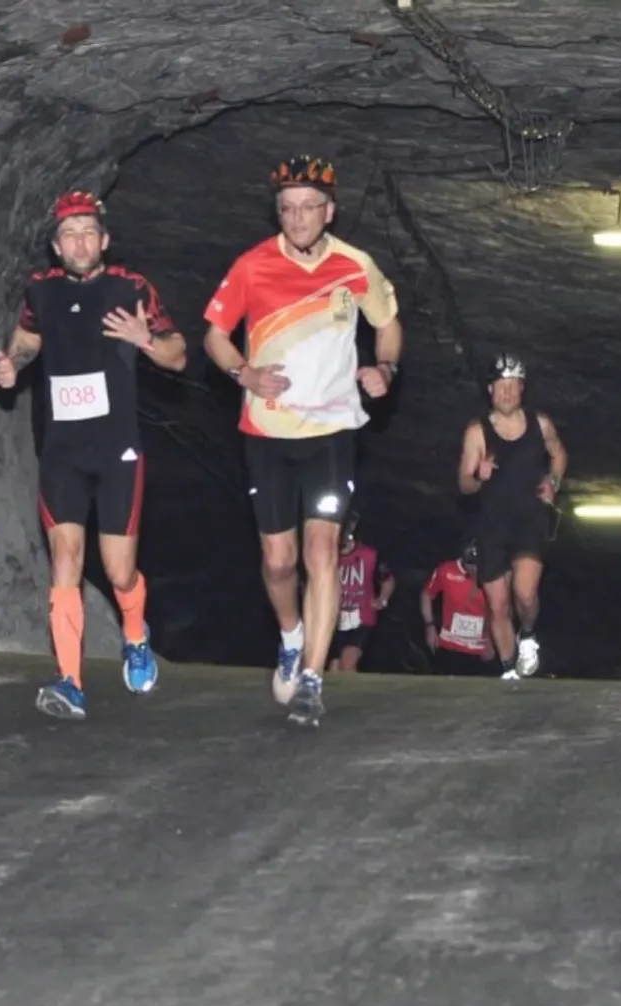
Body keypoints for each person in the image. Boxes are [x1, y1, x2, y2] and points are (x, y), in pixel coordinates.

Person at [203, 155, 404, 727]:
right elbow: (215, 335)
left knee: (322, 552)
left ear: (329, 211)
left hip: (333, 431)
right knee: (278, 560)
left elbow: (388, 321)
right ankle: (291, 635)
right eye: (287, 209)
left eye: (308, 207)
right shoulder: (253, 266)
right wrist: (244, 373)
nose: (297, 218)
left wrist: (384, 369)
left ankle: (313, 677)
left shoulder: (354, 265)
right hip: (267, 432)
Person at [0, 190, 187, 718]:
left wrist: (146, 339)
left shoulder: (131, 287)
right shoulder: (41, 292)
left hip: (117, 448)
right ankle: (69, 682)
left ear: (104, 240)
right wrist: (12, 365)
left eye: (87, 231)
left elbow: (178, 357)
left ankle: (135, 634)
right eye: (68, 234)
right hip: (62, 450)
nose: (79, 241)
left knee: (120, 571)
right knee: (65, 561)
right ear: (57, 247)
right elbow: (27, 340)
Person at [455, 353, 568, 680]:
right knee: (498, 604)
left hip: (530, 520)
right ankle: (508, 670)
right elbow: (464, 484)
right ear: (491, 389)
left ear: (522, 388)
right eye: (500, 386)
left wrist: (554, 482)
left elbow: (559, 453)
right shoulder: (478, 431)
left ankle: (529, 635)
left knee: (525, 592)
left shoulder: (539, 423)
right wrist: (479, 473)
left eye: (513, 386)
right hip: (492, 526)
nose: (507, 393)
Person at [420, 541, 499, 676]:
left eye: (477, 565)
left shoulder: (492, 573)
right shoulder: (445, 570)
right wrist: (429, 625)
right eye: (470, 564)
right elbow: (427, 594)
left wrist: (491, 639)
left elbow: (499, 608)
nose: (474, 569)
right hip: (450, 646)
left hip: (480, 647)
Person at [331, 511, 395, 672]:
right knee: (333, 668)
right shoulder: (325, 556)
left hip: (361, 619)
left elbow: (387, 579)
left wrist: (382, 599)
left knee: (348, 663)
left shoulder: (368, 555)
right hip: (332, 618)